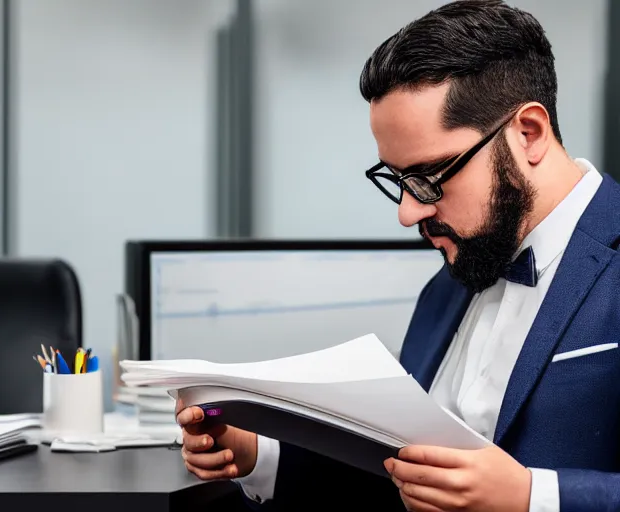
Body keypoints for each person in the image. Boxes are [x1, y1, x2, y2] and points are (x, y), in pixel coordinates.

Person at [176, 0, 620, 510]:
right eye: (398, 180)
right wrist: (259, 453)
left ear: (529, 134)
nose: (408, 212)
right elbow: (403, 469)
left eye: (429, 178)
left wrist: (532, 498)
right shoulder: (449, 282)